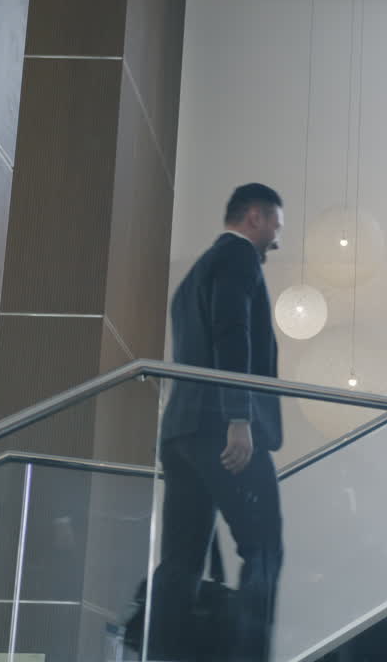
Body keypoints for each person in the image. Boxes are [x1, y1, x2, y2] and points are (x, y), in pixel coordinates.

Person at [148, 183, 285, 662]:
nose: (276, 240)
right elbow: (233, 336)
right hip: (219, 430)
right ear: (254, 216)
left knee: (181, 561)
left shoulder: (192, 278)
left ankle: (162, 656)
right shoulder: (238, 259)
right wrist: (239, 417)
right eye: (275, 226)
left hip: (181, 433)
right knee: (264, 548)